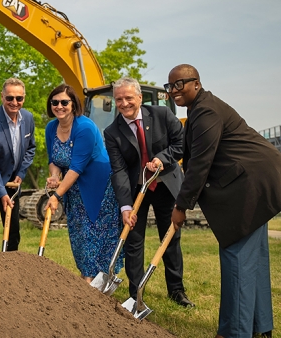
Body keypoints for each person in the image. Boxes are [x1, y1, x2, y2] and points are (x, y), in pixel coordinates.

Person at [169, 64, 281, 338]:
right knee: (253, 258)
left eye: (179, 84)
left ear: (196, 83)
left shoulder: (206, 111)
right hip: (254, 181)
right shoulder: (199, 109)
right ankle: (259, 327)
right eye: (169, 86)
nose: (174, 91)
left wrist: (181, 206)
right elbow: (189, 154)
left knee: (237, 258)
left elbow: (199, 164)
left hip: (250, 185)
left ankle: (234, 332)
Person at [103, 77, 193, 307]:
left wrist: (161, 159)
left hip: (165, 185)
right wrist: (125, 206)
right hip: (136, 190)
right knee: (133, 241)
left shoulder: (162, 115)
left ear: (139, 98)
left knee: (170, 238)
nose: (124, 103)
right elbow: (119, 170)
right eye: (119, 99)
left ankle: (176, 291)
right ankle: (135, 294)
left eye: (128, 98)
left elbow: (180, 144)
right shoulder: (113, 132)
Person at [44, 84, 122, 283]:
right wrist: (54, 176)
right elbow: (54, 160)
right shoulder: (51, 128)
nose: (59, 106)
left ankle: (94, 280)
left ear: (73, 104)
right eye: (55, 102)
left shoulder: (85, 127)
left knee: (93, 233)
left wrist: (56, 196)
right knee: (79, 234)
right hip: (73, 187)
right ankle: (88, 278)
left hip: (98, 186)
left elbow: (77, 166)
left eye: (64, 102)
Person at [0, 78, 36, 252]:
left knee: (13, 231)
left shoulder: (28, 118)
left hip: (13, 182)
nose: (14, 102)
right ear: (2, 97)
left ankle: (10, 272)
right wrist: (1, 192)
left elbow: (30, 148)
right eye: (9, 98)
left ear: (24, 98)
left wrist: (21, 172)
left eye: (19, 98)